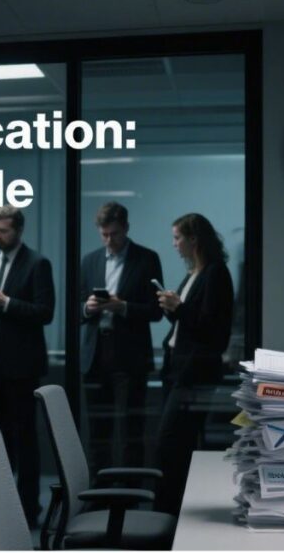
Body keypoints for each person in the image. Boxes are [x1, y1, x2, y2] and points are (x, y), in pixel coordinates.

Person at [0, 205, 55, 527]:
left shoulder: (38, 263)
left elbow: (45, 312)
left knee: (24, 435)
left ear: (18, 230)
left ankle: (28, 508)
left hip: (21, 364)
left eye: (3, 231)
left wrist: (4, 302)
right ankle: (1, 504)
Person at [153, 213, 233, 515]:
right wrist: (172, 308)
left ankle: (166, 516)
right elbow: (189, 322)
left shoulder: (216, 273)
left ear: (194, 239)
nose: (174, 244)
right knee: (175, 445)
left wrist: (179, 308)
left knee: (170, 444)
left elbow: (212, 329)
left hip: (193, 373)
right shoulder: (194, 273)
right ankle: (169, 514)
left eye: (177, 238)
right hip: (176, 368)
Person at [80, 202, 163, 476]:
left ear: (126, 228)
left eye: (114, 234)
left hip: (130, 356)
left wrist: (123, 307)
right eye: (104, 234)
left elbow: (156, 312)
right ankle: (99, 490)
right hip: (96, 354)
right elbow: (75, 309)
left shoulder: (147, 259)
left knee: (131, 430)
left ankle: (131, 491)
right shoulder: (89, 260)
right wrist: (87, 308)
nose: (109, 240)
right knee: (97, 432)